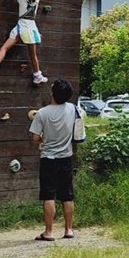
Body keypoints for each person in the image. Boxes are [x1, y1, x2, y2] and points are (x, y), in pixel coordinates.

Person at [28, 78, 78, 241]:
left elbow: (35, 138)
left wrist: (44, 139)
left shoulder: (43, 113)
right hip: (66, 157)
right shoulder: (72, 109)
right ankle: (68, 229)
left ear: (53, 93)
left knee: (49, 195)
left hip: (49, 159)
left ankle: (49, 232)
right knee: (67, 195)